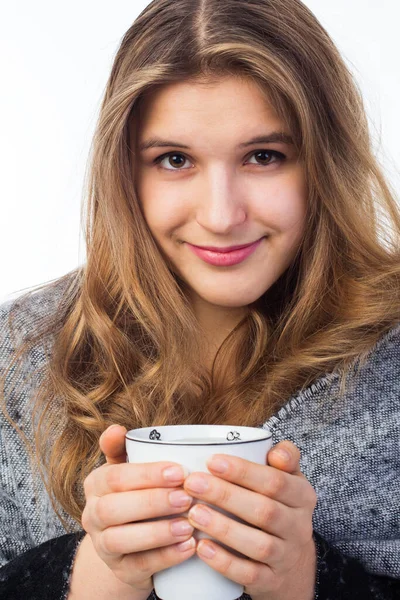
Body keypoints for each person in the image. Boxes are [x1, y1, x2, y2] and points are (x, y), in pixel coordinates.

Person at [0, 0, 399, 598]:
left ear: (325, 162)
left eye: (264, 157)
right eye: (175, 160)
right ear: (124, 175)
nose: (221, 216)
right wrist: (95, 571)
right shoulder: (20, 356)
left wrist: (306, 580)